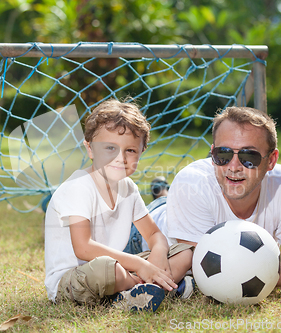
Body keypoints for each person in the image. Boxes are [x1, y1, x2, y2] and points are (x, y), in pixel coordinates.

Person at [160, 106, 281, 297]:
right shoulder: (191, 183)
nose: (233, 167)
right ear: (212, 154)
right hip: (144, 234)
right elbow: (205, 269)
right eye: (223, 154)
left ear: (271, 160)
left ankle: (162, 192)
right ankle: (162, 196)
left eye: (248, 157)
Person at [44, 99, 194, 312]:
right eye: (110, 148)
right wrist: (142, 266)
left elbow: (153, 234)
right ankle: (157, 287)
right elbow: (84, 247)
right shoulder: (78, 187)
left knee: (185, 252)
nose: (120, 158)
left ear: (142, 151)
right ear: (90, 149)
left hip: (121, 270)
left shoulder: (128, 188)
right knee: (109, 269)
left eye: (130, 150)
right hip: (77, 278)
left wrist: (158, 251)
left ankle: (139, 291)